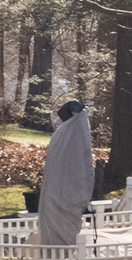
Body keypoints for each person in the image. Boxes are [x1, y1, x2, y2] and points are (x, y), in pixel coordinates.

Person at [37, 99, 94, 246]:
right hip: (54, 193)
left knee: (65, 232)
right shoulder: (62, 137)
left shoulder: (74, 136)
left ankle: (65, 259)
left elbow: (82, 168)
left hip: (66, 195)